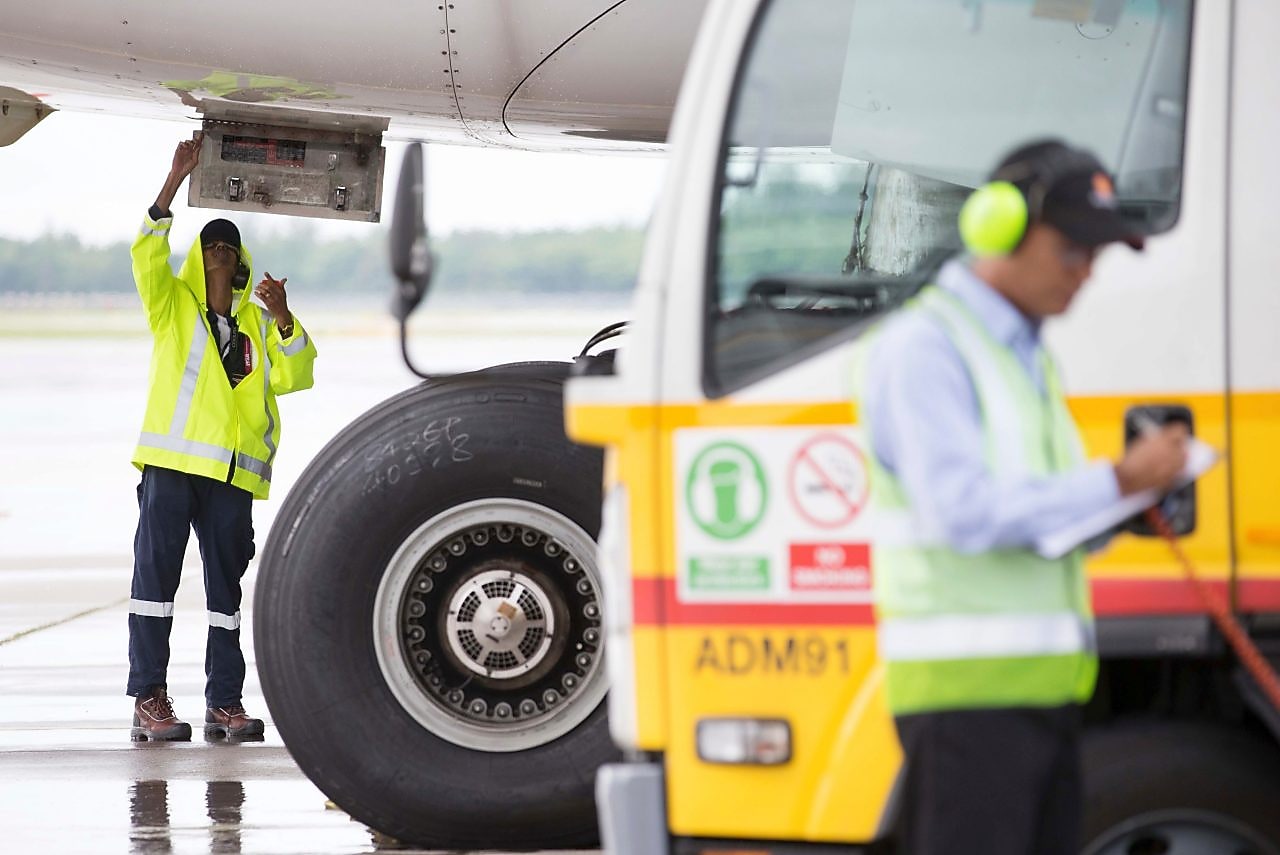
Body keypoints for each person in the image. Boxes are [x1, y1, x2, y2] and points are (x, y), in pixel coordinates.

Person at [861, 139, 1189, 854]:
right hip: (967, 704)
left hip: (1040, 697)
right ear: (998, 226)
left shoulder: (1026, 354)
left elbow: (1044, 520)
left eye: (1097, 255)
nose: (1086, 272)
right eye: (1073, 249)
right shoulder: (928, 347)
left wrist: (1126, 504)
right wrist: (1118, 480)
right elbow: (964, 511)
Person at [127, 134, 318, 742]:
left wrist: (284, 316)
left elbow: (297, 374)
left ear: (240, 261)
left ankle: (224, 703)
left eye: (228, 247)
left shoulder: (258, 324)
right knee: (155, 586)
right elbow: (145, 254)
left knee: (225, 596)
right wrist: (173, 181)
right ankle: (149, 698)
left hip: (233, 478)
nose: (218, 251)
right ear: (198, 255)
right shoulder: (172, 307)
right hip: (172, 468)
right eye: (210, 243)